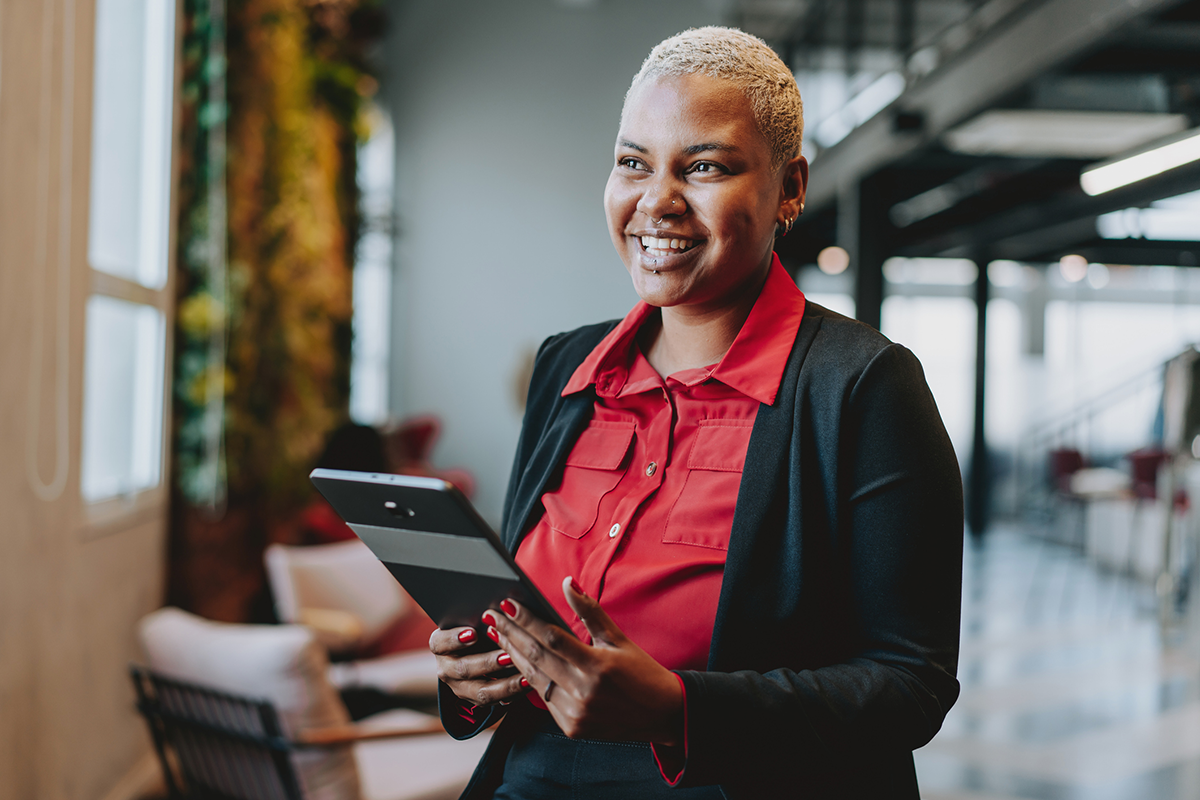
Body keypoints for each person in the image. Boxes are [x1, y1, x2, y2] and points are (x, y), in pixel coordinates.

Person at [429, 27, 963, 799]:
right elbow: (521, 611)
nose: (657, 201)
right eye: (633, 163)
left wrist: (681, 710)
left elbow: (910, 683)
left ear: (790, 188)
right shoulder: (565, 370)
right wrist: (472, 672)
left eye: (705, 166)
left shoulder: (863, 387)